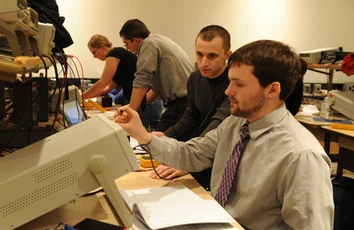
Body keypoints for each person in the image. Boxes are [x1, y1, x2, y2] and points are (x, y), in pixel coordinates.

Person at [114, 40, 334, 229]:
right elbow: (192, 154)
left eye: (238, 84)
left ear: (272, 90)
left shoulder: (301, 155)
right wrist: (144, 135)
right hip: (217, 217)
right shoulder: (236, 124)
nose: (228, 91)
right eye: (230, 81)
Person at [150, 25, 232, 191]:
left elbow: (218, 125)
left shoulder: (234, 83)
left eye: (212, 56)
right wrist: (166, 135)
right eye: (199, 54)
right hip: (203, 149)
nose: (203, 62)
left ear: (227, 55)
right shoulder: (195, 78)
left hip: (220, 157)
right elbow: (192, 115)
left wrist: (192, 160)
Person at [119, 19, 194, 131]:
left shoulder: (147, 44)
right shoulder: (158, 40)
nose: (127, 48)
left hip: (181, 104)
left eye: (127, 44)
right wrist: (135, 107)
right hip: (186, 101)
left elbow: (142, 79)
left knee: (161, 142)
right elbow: (159, 87)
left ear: (136, 40)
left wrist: (130, 111)